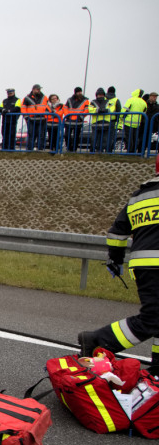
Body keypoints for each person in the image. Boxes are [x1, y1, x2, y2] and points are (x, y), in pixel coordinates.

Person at [79, 160, 159, 375]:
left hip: (144, 266)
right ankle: (98, 341)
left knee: (156, 316)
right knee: (153, 318)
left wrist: (115, 259)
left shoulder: (139, 196)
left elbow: (117, 233)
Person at [64, 87, 90, 153]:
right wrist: (67, 116)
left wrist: (80, 117)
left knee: (76, 136)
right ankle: (69, 148)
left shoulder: (85, 100)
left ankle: (74, 149)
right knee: (67, 135)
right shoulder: (69, 100)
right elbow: (65, 108)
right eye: (78, 92)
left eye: (80, 92)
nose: (80, 93)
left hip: (78, 121)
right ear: (75, 93)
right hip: (69, 121)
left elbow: (86, 110)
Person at [89, 88, 113, 153]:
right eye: (99, 95)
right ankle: (92, 151)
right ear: (96, 95)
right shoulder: (93, 102)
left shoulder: (108, 101)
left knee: (105, 139)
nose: (100, 96)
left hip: (105, 123)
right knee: (94, 139)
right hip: (96, 123)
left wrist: (105, 110)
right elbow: (90, 110)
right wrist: (99, 110)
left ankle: (102, 151)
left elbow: (111, 109)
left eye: (102, 95)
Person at [125, 89, 148, 155]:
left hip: (128, 122)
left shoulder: (130, 100)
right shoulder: (143, 102)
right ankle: (134, 152)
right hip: (137, 123)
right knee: (135, 138)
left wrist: (121, 118)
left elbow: (124, 110)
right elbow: (144, 112)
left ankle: (129, 153)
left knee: (129, 138)